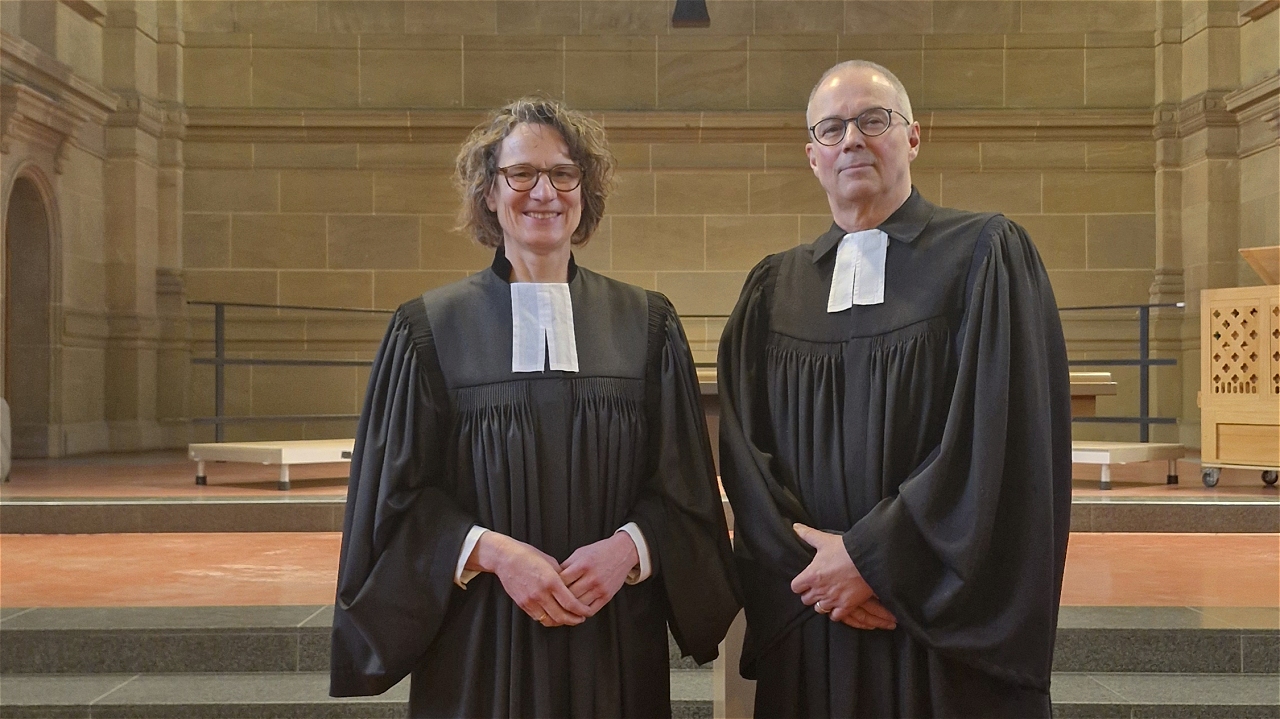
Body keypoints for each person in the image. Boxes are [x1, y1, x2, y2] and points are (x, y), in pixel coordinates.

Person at [330, 97, 740, 718]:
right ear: (489, 192)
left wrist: (629, 549)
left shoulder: (645, 324)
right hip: (478, 641)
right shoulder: (430, 329)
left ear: (585, 192)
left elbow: (684, 490)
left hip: (611, 637)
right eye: (521, 173)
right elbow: (392, 505)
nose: (543, 192)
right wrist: (494, 553)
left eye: (563, 174)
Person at [716, 61, 1072, 717]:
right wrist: (819, 572)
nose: (852, 138)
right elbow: (745, 461)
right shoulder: (775, 291)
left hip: (937, 627)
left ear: (912, 137)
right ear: (813, 156)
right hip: (815, 620)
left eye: (872, 120)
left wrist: (872, 560)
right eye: (831, 128)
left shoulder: (983, 255)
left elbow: (997, 446)